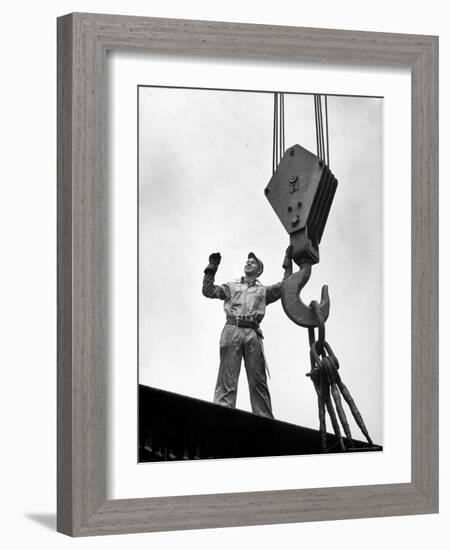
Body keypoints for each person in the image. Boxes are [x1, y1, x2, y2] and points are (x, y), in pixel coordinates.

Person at [202, 249, 292, 419]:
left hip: (252, 332)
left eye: (253, 262)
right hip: (232, 328)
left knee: (258, 380)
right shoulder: (231, 286)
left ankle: (264, 418)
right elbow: (208, 291)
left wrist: (287, 263)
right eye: (247, 261)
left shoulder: (263, 291)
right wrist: (211, 267)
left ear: (259, 270)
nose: (249, 262)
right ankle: (222, 412)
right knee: (227, 376)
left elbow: (286, 285)